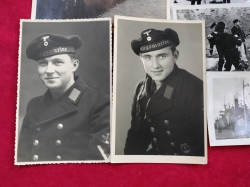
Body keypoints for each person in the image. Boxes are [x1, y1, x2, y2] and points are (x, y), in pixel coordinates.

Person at [17, 34, 110, 162]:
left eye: (57, 62)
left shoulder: (100, 104)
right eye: (43, 63)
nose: (49, 70)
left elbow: (96, 166)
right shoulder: (33, 105)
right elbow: (23, 158)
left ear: (75, 65)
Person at [124, 28, 204, 156]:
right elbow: (137, 136)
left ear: (175, 56)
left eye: (162, 56)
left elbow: (201, 144)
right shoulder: (141, 89)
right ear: (141, 59)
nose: (155, 65)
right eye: (148, 57)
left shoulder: (194, 88)